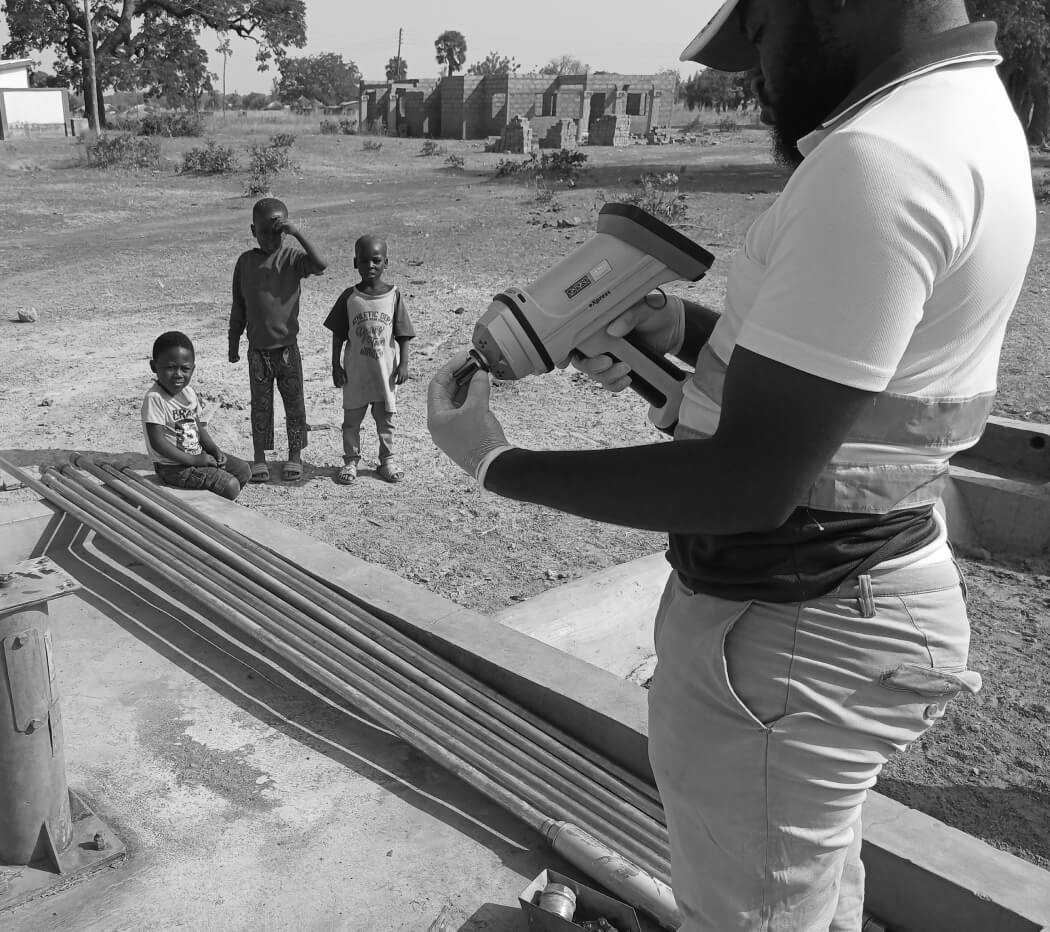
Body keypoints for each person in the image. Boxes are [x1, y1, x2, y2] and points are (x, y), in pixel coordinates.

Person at [427, 2, 1036, 930]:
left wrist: (494, 462)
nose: (750, 77)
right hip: (853, 598)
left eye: (756, 36)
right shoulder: (966, 115)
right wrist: (684, 333)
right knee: (810, 890)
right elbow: (850, 389)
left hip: (797, 622)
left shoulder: (879, 163)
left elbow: (751, 483)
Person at [229, 197, 327, 483]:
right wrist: (233, 342)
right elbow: (239, 306)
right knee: (260, 405)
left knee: (294, 404)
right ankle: (260, 457)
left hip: (287, 350)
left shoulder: (293, 259)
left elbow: (321, 264)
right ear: (253, 231)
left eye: (278, 231)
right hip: (257, 351)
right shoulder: (245, 263)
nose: (272, 238)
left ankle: (294, 456)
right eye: (265, 232)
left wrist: (296, 232)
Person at [324, 234, 415, 484]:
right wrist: (335, 365)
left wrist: (404, 364)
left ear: (387, 262)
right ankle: (351, 462)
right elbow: (338, 335)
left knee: (385, 421)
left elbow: (403, 334)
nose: (370, 266)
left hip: (384, 373)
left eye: (376, 260)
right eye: (364, 261)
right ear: (355, 263)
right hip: (355, 373)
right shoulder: (349, 297)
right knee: (351, 421)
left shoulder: (394, 296)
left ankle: (387, 461)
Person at [142, 331, 252, 500]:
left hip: (197, 457)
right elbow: (158, 443)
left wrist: (213, 449)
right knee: (230, 485)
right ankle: (211, 514)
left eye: (184, 369)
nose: (178, 374)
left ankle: (216, 505)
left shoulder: (188, 392)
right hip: (173, 468)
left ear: (193, 368)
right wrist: (194, 461)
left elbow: (197, 426)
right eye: (171, 367)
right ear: (154, 367)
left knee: (243, 470)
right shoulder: (155, 399)